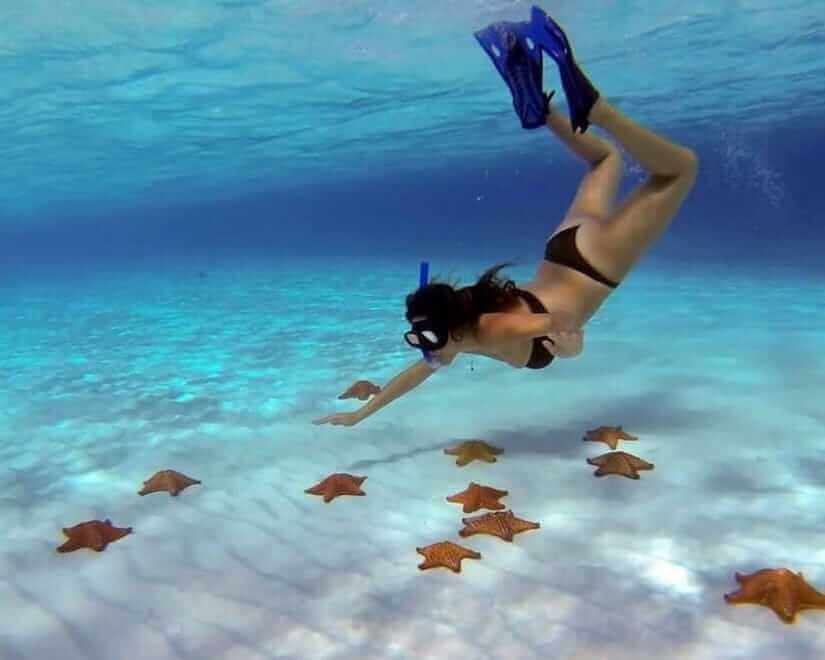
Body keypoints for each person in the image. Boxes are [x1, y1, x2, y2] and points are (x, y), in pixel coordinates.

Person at [314, 6, 697, 427]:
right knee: (605, 162)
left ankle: (599, 110)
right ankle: (544, 112)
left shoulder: (496, 330)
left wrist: (571, 349)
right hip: (562, 249)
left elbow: (560, 325)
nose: (425, 348)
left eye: (426, 338)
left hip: (592, 266)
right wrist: (361, 414)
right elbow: (417, 375)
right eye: (419, 338)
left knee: (680, 170)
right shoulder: (455, 336)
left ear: (454, 329)